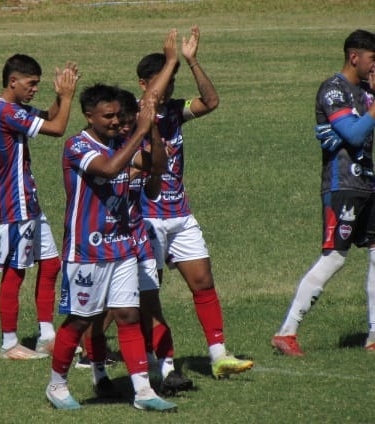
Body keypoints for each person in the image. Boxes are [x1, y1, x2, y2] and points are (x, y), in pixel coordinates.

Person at [45, 81, 177, 412]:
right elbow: (109, 168)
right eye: (108, 116)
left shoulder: (122, 142)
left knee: (129, 316)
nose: (116, 121)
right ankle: (56, 385)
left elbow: (158, 167)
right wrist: (139, 133)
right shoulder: (78, 146)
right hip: (87, 251)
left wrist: (152, 128)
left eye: (118, 115)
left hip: (122, 247)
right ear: (89, 116)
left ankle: (143, 391)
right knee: (80, 320)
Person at [137, 26, 254, 378]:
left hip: (180, 214)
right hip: (147, 217)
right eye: (164, 80)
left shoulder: (175, 111)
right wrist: (170, 60)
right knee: (147, 293)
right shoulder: (134, 113)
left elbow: (211, 101)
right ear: (144, 83)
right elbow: (149, 105)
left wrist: (191, 62)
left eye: (173, 81)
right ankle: (154, 362)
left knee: (202, 281)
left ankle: (218, 356)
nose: (170, 88)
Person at [272, 29, 375, 356]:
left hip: (367, 182)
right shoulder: (333, 90)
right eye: (372, 59)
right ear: (354, 57)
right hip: (341, 184)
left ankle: (374, 335)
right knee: (335, 257)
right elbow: (354, 135)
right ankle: (287, 332)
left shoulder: (366, 91)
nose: (374, 66)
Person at [0, 54, 79, 359]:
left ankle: (46, 336)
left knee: (50, 264)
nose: (35, 89)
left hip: (28, 200)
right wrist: (68, 97)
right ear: (13, 81)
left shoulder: (3, 107)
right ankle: (9, 344)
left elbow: (48, 116)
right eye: (31, 83)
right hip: (16, 203)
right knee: (15, 272)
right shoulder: (6, 112)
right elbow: (58, 128)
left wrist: (58, 97)